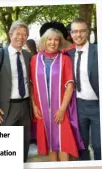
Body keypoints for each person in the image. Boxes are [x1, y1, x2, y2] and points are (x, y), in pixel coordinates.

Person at [30, 27, 84, 161]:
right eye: (49, 39)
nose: (52, 43)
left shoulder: (64, 59)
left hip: (60, 109)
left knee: (63, 143)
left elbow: (70, 85)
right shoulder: (35, 60)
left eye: (56, 40)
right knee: (50, 143)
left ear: (60, 42)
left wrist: (62, 109)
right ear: (44, 41)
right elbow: (31, 84)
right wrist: (34, 106)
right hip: (42, 109)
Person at [0, 20, 32, 162]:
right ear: (10, 35)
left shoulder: (28, 56)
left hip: (25, 106)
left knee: (24, 144)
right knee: (8, 147)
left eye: (25, 34)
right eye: (18, 34)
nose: (21, 37)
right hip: (6, 107)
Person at [68, 18, 101, 160]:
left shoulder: (98, 51)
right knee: (81, 145)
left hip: (97, 106)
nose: (78, 34)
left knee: (99, 145)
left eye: (82, 31)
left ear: (87, 32)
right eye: (75, 31)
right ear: (71, 33)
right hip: (78, 105)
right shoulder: (68, 55)